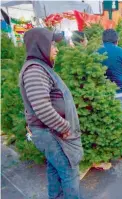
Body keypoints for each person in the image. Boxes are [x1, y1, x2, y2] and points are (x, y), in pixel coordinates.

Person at [19, 28, 83, 199]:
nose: (56, 49)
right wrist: (64, 127)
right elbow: (42, 107)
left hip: (52, 134)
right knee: (69, 172)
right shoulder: (34, 71)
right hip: (51, 134)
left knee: (54, 169)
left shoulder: (41, 68)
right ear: (41, 45)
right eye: (52, 44)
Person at [97, 29, 122, 156]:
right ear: (116, 40)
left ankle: (109, 150)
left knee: (106, 122)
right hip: (120, 93)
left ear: (102, 40)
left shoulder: (96, 53)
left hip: (103, 94)